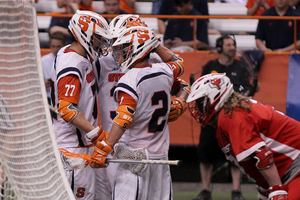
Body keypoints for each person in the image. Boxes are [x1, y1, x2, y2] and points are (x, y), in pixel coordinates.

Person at [90, 26, 189, 200]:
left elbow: (124, 118)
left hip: (134, 158)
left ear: (139, 48)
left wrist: (106, 147)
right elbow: (178, 64)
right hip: (160, 158)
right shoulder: (164, 70)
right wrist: (181, 100)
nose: (120, 52)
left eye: (126, 47)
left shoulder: (130, 78)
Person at [187, 73, 300, 200]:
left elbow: (261, 155)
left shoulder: (232, 115)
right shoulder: (224, 121)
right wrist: (265, 190)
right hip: (289, 171)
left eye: (201, 101)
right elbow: (252, 164)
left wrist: (276, 190)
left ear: (216, 95)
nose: (197, 108)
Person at [50, 10, 112, 199]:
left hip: (82, 144)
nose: (101, 43)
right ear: (84, 35)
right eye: (97, 38)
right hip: (73, 148)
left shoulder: (73, 54)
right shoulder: (72, 64)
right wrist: (94, 133)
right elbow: (66, 108)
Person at [192, 35, 256, 200]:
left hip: (232, 116)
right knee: (205, 154)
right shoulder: (210, 66)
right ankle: (206, 190)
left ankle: (236, 191)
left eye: (233, 44)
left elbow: (249, 88)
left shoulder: (241, 67)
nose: (232, 47)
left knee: (236, 154)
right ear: (220, 48)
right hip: (211, 118)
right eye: (228, 45)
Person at [41, 31, 66, 106]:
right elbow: (38, 85)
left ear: (64, 45)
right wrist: (44, 84)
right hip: (49, 99)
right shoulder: (43, 61)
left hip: (66, 98)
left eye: (58, 46)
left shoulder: (70, 59)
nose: (55, 49)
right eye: (53, 46)